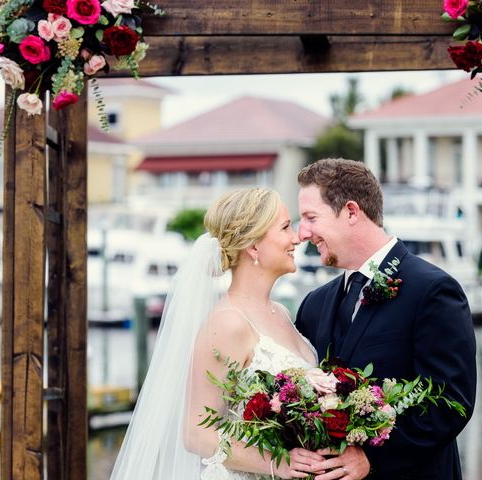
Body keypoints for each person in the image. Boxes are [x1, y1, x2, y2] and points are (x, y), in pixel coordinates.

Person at [110, 188, 324, 479]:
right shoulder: (228, 323)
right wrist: (279, 463)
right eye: (286, 228)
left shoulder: (281, 312)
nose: (297, 238)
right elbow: (196, 434)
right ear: (253, 246)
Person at [295, 159, 477, 480]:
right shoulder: (314, 304)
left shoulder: (432, 290)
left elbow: (449, 404)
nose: (302, 233)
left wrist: (371, 459)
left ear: (352, 212)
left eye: (311, 218)